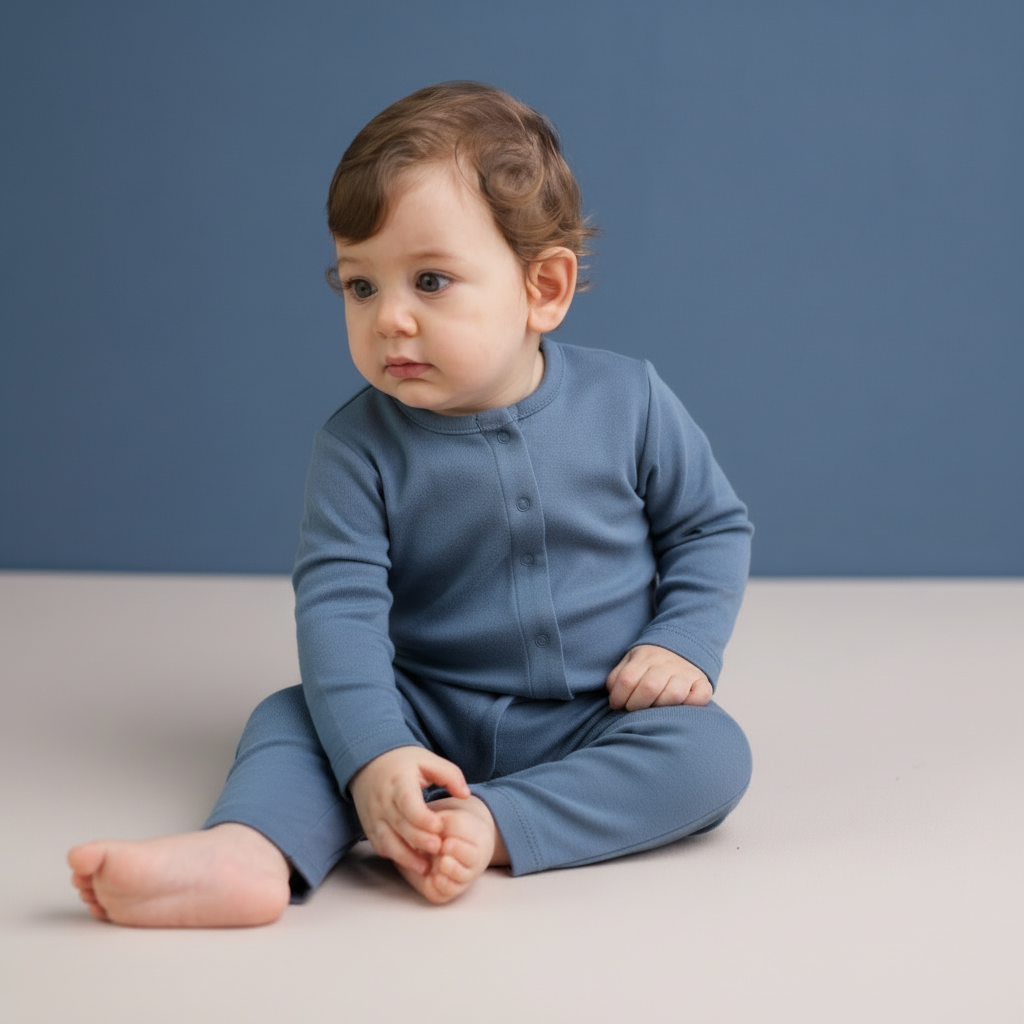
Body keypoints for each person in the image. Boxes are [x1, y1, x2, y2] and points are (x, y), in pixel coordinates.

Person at [68, 81, 753, 927]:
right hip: (422, 707)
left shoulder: (631, 400)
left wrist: (680, 643)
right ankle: (253, 851)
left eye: (430, 280)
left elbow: (709, 528)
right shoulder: (358, 447)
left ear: (544, 287)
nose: (389, 318)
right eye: (359, 286)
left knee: (710, 754)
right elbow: (339, 610)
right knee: (293, 715)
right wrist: (380, 751)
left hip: (591, 714)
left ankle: (497, 823)